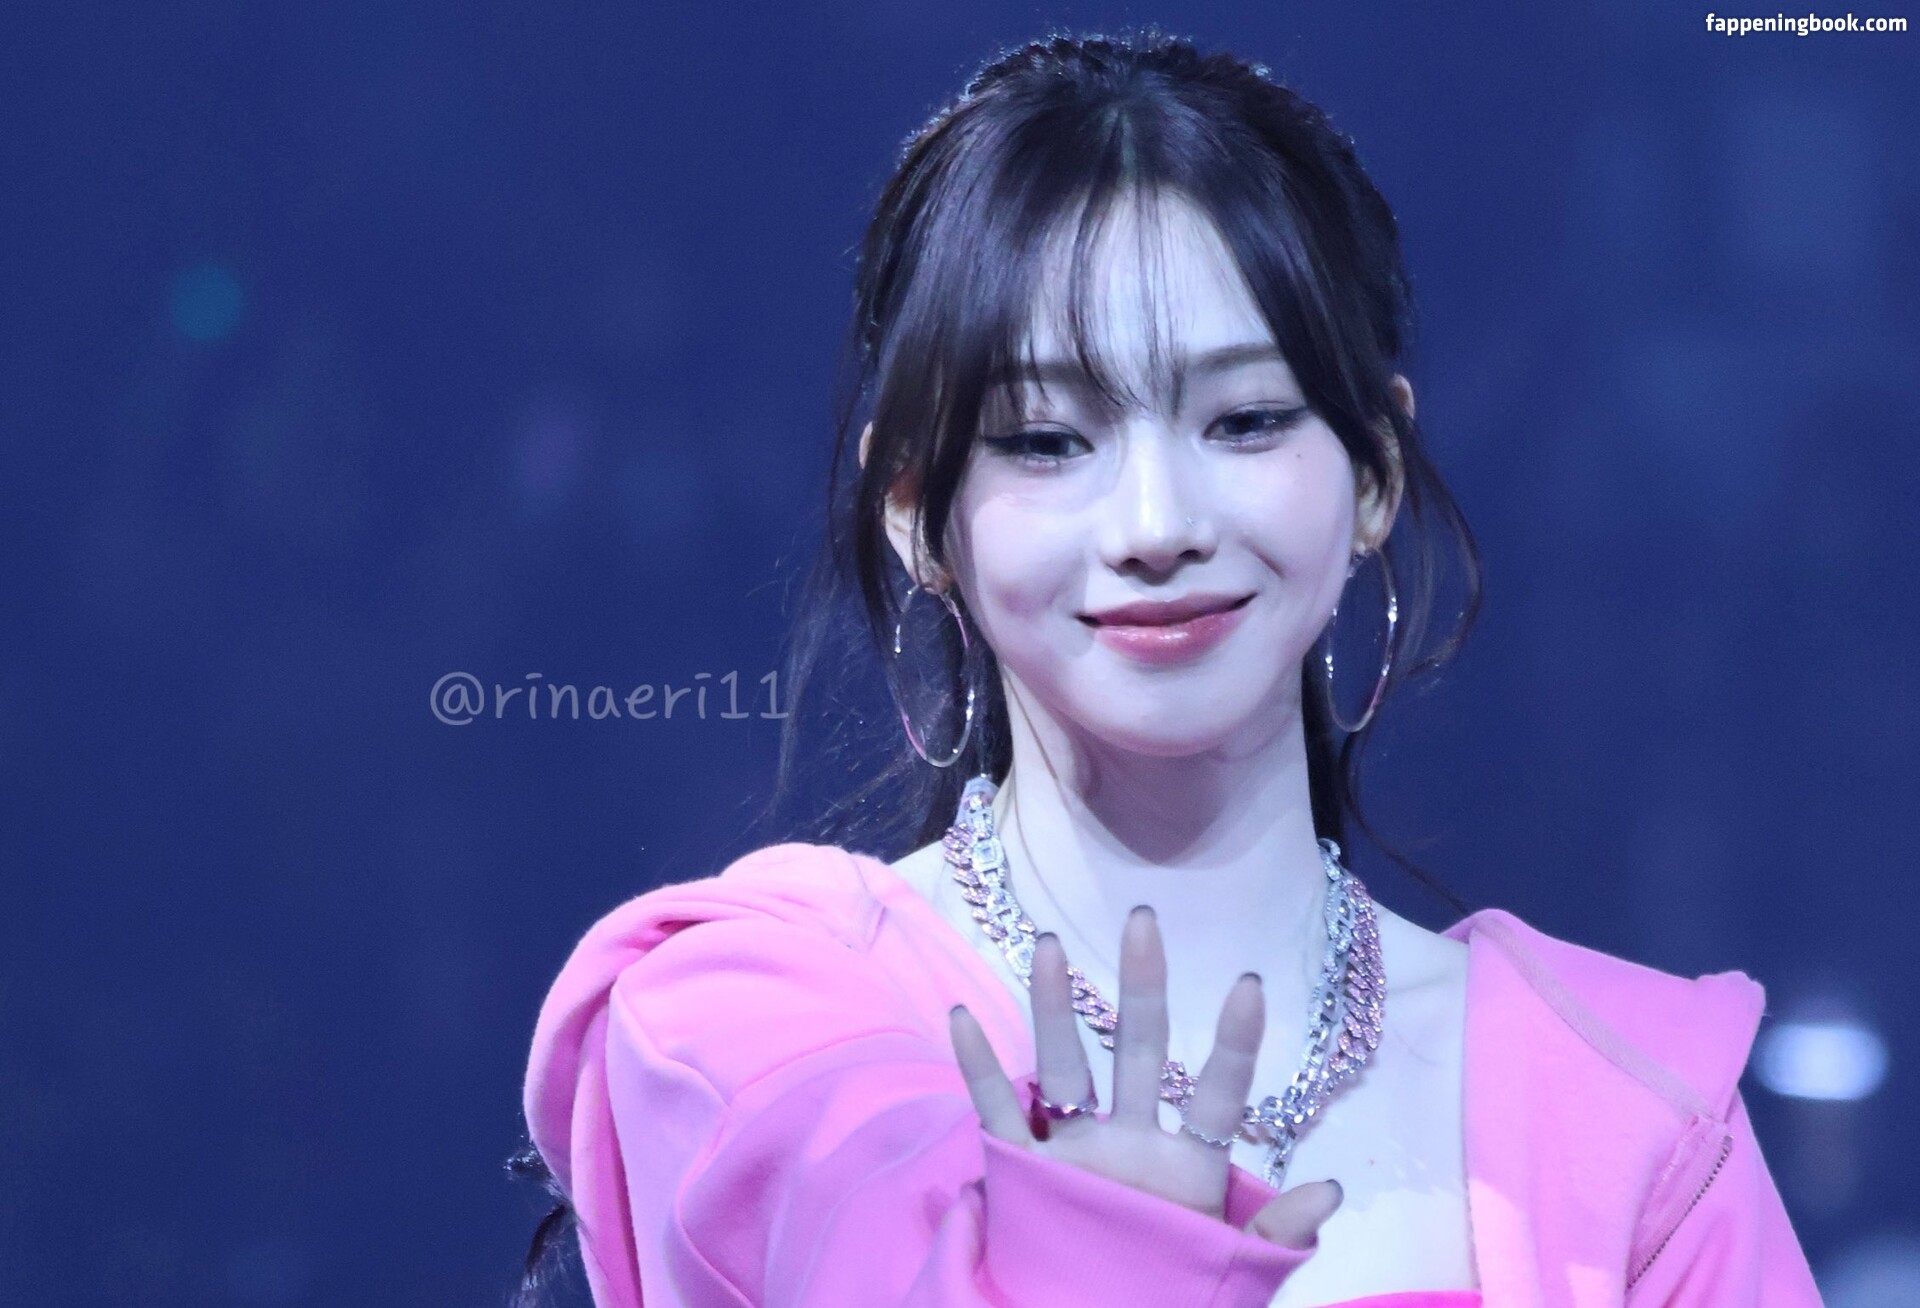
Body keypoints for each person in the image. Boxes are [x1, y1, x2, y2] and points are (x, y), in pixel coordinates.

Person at [513, 30, 1825, 1308]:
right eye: (1046, 440)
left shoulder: (1632, 1117)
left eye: (1245, 421)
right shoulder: (762, 1027)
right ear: (914, 507)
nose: (1156, 524)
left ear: (1374, 474)